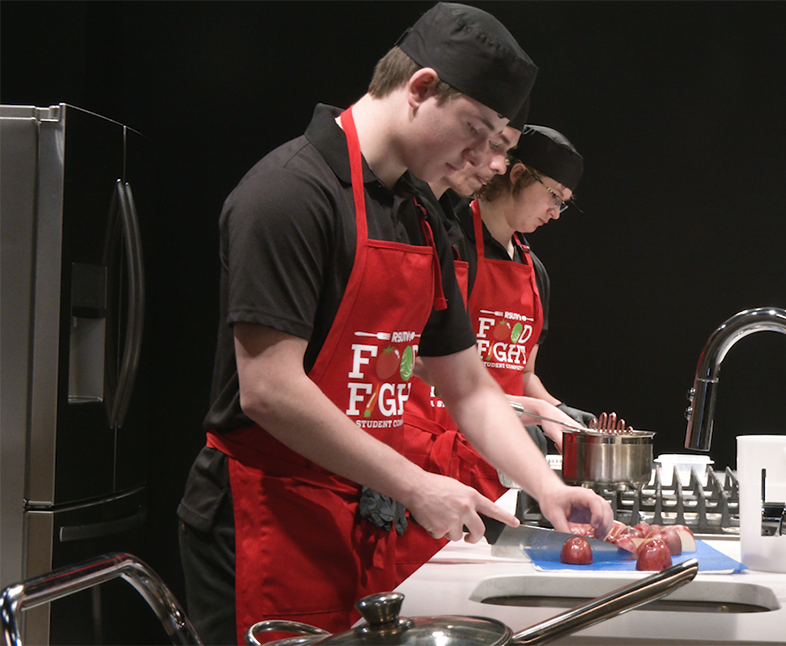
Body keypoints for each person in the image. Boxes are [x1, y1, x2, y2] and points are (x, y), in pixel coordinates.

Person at [176, 3, 614, 645]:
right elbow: (269, 389)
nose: (489, 162)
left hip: (357, 515)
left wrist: (546, 488)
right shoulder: (289, 194)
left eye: (502, 146)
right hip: (264, 516)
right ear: (420, 89)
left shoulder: (420, 218)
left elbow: (467, 386)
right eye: (479, 131)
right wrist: (414, 482)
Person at [397, 124, 626, 578]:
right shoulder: (445, 240)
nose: (557, 213)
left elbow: (522, 375)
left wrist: (565, 421)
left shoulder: (532, 268)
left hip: (495, 462)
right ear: (517, 174)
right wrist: (522, 408)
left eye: (564, 202)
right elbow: (406, 359)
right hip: (427, 459)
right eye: (554, 196)